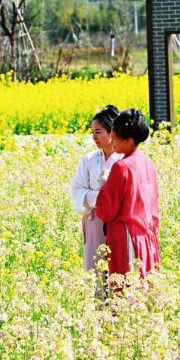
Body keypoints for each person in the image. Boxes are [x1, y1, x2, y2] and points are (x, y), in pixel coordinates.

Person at [95, 109, 161, 278]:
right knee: (144, 288)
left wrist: (103, 185)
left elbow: (106, 210)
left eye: (115, 137)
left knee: (126, 292)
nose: (112, 140)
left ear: (129, 140)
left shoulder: (121, 167)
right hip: (147, 236)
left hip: (125, 237)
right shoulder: (148, 162)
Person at [71, 105, 123, 272]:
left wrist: (99, 197)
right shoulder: (89, 159)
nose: (94, 137)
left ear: (111, 132)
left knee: (118, 271)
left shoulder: (123, 158)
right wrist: (100, 198)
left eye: (98, 131)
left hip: (118, 221)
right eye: (92, 132)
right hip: (94, 221)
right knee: (96, 272)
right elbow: (77, 190)